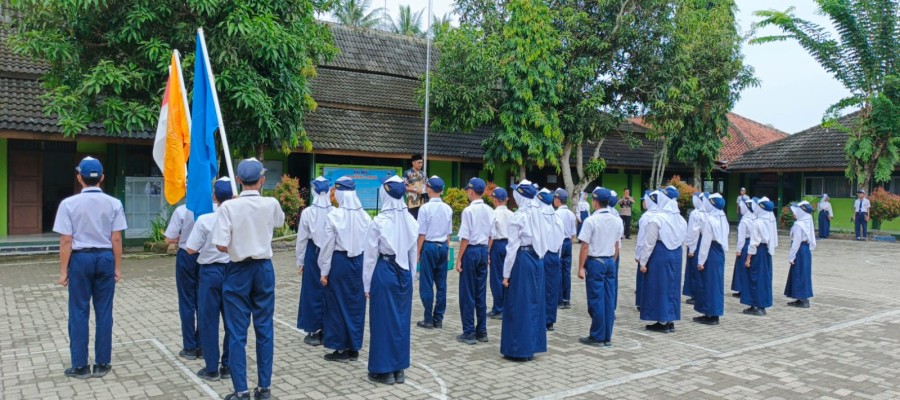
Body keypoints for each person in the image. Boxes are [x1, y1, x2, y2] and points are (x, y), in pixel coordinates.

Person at [212, 158, 285, 400]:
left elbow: (220, 245)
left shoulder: (228, 208)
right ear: (262, 180)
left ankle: (241, 391)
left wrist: (238, 245)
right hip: (264, 268)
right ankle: (264, 388)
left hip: (238, 269)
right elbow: (279, 222)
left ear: (239, 180)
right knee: (264, 328)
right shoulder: (271, 203)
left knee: (236, 332)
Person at [54, 156, 126, 379]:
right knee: (104, 311)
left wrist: (63, 271)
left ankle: (80, 366)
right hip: (105, 258)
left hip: (80, 259)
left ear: (79, 178)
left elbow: (66, 240)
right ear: (102, 177)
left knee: (78, 311)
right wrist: (117, 267)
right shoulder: (114, 203)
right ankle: (102, 363)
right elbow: (116, 238)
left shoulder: (68, 204)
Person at [364, 175, 418, 385]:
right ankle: (399, 369)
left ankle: (383, 370)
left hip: (385, 270)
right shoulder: (411, 221)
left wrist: (366, 284)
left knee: (382, 321)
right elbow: (413, 254)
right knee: (401, 322)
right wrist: (410, 279)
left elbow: (370, 257)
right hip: (404, 273)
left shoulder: (378, 222)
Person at [186, 177, 234, 381]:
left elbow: (190, 249)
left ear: (214, 197)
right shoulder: (237, 218)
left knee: (208, 320)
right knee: (232, 321)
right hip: (233, 271)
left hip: (210, 272)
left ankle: (212, 368)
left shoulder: (205, 220)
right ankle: (229, 365)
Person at [319, 177, 371, 362]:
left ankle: (340, 348)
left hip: (340, 262)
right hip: (359, 263)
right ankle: (354, 347)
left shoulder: (334, 216)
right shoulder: (365, 216)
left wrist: (324, 272)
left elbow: (327, 247)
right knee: (356, 305)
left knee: (338, 305)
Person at [501, 179, 549, 361]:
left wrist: (506, 274)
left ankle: (518, 349)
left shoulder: (518, 216)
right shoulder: (540, 213)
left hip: (522, 259)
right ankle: (532, 346)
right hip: (538, 259)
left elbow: (512, 247)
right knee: (534, 303)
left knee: (519, 303)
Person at [576, 187, 623, 347]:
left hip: (596, 261)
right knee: (609, 299)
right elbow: (617, 245)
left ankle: (597, 336)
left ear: (595, 203)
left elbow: (585, 246)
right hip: (610, 261)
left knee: (596, 299)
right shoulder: (617, 220)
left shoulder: (591, 220)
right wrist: (612, 261)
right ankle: (607, 336)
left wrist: (580, 267)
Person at [637, 187, 687, 333]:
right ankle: (670, 319)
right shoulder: (681, 219)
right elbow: (684, 241)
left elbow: (649, 243)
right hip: (676, 254)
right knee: (672, 287)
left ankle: (662, 320)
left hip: (660, 253)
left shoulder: (656, 219)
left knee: (659, 287)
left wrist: (643, 262)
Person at [455, 178, 495, 344]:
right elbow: (492, 235)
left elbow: (465, 237)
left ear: (471, 192)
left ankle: (469, 332)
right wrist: (487, 252)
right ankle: (482, 331)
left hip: (471, 251)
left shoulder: (468, 211)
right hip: (483, 249)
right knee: (480, 292)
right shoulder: (490, 210)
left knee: (467, 293)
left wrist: (459, 258)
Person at [295, 177, 333, 347]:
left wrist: (300, 261)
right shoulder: (334, 211)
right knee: (328, 291)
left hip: (313, 253)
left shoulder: (308, 212)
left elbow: (302, 240)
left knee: (311, 291)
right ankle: (327, 329)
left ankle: (313, 330)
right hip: (331, 253)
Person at [164, 196, 200, 360]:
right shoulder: (214, 209)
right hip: (207, 258)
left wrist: (181, 238)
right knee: (204, 302)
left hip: (186, 255)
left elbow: (169, 238)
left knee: (187, 302)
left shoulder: (182, 210)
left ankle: (190, 347)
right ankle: (203, 345)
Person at [415, 176, 452, 330]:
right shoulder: (448, 208)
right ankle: (439, 319)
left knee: (426, 284)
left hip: (429, 247)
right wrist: (448, 251)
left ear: (428, 190)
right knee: (441, 285)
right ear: (442, 190)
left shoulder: (424, 208)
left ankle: (428, 319)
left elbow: (422, 234)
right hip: (443, 247)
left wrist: (417, 252)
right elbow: (448, 234)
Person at [693, 193, 729, 325]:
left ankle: (709, 314)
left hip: (710, 253)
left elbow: (705, 242)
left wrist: (700, 261)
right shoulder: (723, 217)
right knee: (716, 284)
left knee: (708, 284)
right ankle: (715, 313)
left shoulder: (710, 220)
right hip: (719, 252)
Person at [741, 197, 777, 316]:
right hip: (766, 252)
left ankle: (756, 305)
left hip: (758, 252)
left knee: (755, 278)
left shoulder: (757, 222)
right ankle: (762, 305)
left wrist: (748, 258)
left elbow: (753, 243)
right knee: (764, 279)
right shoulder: (771, 220)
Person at [537, 188, 565, 332]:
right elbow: (561, 240)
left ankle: (541, 319)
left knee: (540, 288)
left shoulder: (539, 216)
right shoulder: (557, 217)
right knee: (552, 289)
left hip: (542, 255)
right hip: (554, 255)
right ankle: (550, 320)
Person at [489, 187, 514, 320]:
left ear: (495, 200)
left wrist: (487, 252)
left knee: (496, 277)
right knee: (507, 276)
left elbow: (491, 235)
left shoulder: (493, 214)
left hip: (497, 245)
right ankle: (506, 306)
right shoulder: (512, 214)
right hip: (510, 244)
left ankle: (498, 308)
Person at [785, 201, 816, 308]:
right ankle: (801, 298)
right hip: (806, 250)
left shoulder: (799, 225)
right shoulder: (807, 220)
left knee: (799, 274)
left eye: (796, 211)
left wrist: (791, 256)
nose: (794, 213)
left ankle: (803, 300)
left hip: (799, 250)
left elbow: (796, 242)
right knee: (804, 274)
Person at [683, 192, 708, 306]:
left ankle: (694, 294)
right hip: (705, 242)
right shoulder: (709, 212)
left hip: (696, 242)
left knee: (694, 269)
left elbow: (693, 231)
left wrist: (691, 248)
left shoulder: (695, 213)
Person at [554, 189, 577, 311]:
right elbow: (573, 234)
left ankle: (559, 300)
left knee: (558, 270)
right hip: (568, 242)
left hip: (560, 243)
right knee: (566, 271)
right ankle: (566, 299)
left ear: (557, 200)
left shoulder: (556, 214)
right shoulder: (571, 214)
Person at [731, 197, 754, 298]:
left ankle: (741, 289)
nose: (740, 209)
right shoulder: (754, 217)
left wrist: (738, 250)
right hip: (752, 244)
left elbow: (741, 238)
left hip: (745, 244)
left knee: (742, 268)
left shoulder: (744, 221)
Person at [634, 190, 651, 311]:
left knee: (642, 277)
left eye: (644, 201)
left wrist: (638, 254)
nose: (643, 203)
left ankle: (641, 301)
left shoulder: (645, 217)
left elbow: (641, 238)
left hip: (644, 250)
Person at [404, 154, 427, 219]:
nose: (420, 164)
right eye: (419, 163)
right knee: (412, 220)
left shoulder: (423, 174)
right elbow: (404, 187)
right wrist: (415, 190)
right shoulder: (407, 173)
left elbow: (427, 185)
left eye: (421, 162)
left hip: (423, 202)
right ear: (413, 163)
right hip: (412, 203)